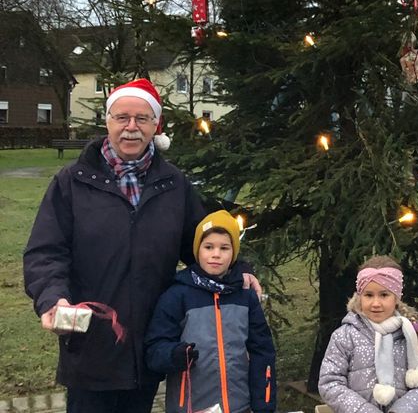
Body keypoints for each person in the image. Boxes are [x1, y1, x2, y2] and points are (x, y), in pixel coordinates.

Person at [23, 78, 260, 413]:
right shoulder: (72, 182)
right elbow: (45, 252)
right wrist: (52, 297)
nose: (131, 127)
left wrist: (239, 269)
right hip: (91, 346)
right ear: (107, 122)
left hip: (149, 344)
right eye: (122, 117)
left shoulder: (174, 184)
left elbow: (202, 244)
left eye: (141, 119)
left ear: (154, 125)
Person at [144, 210, 277, 413]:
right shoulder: (177, 295)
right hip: (190, 406)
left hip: (239, 406)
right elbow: (154, 349)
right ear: (198, 250)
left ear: (234, 252)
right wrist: (173, 355)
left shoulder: (245, 297)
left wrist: (264, 404)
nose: (216, 254)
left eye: (224, 248)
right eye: (208, 247)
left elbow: (262, 352)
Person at [318, 256, 418, 413]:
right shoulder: (345, 336)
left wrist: (403, 410)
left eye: (384, 295)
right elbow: (330, 382)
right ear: (360, 296)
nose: (376, 303)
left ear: (396, 297)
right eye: (368, 295)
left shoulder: (410, 334)